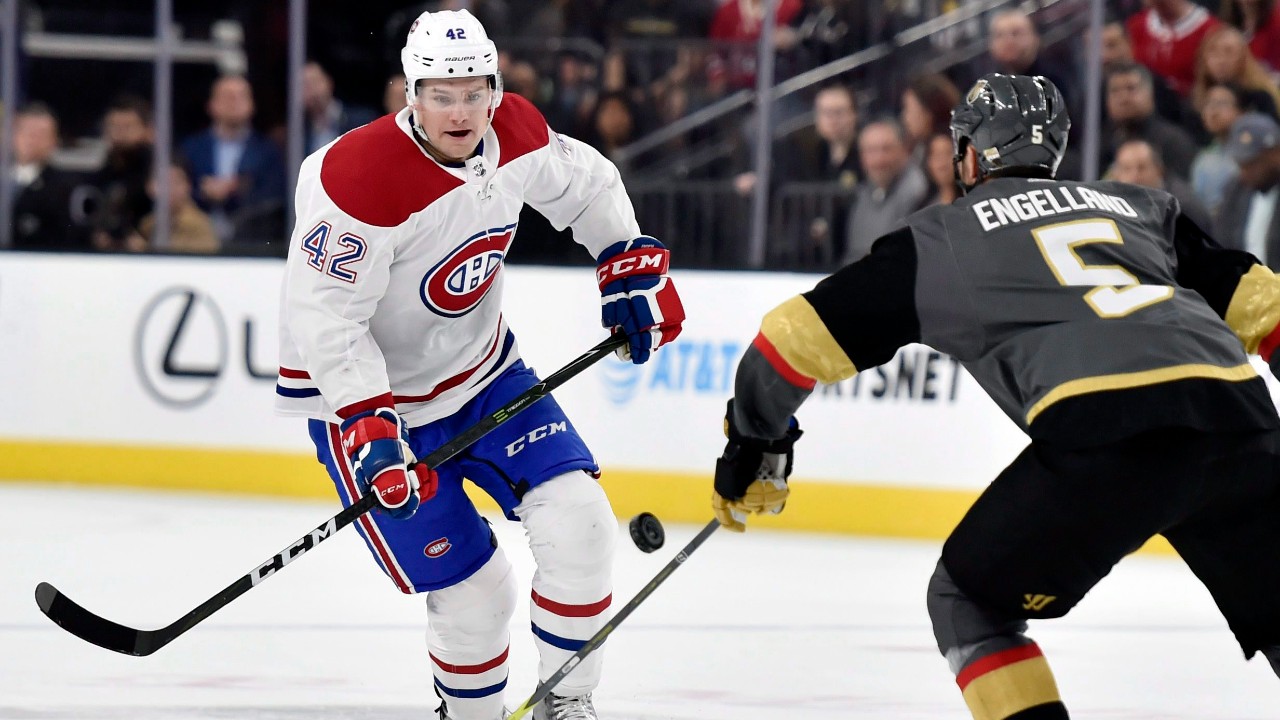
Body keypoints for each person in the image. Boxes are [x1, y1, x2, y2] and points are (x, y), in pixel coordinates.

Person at [711, 73, 1280, 719]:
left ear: (972, 156)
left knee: (969, 605)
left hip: (1109, 436)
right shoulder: (1140, 206)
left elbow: (789, 339)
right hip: (1244, 422)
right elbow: (1265, 304)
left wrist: (754, 440)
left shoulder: (941, 239)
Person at [276, 10, 684, 720]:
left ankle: (569, 703)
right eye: (441, 93)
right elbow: (328, 319)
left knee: (582, 524)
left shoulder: (517, 132)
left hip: (487, 377)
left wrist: (625, 263)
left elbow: (586, 184)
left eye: (474, 91)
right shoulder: (356, 177)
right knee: (475, 592)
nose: (460, 111)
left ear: (495, 87)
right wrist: (372, 429)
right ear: (410, 92)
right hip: (376, 410)